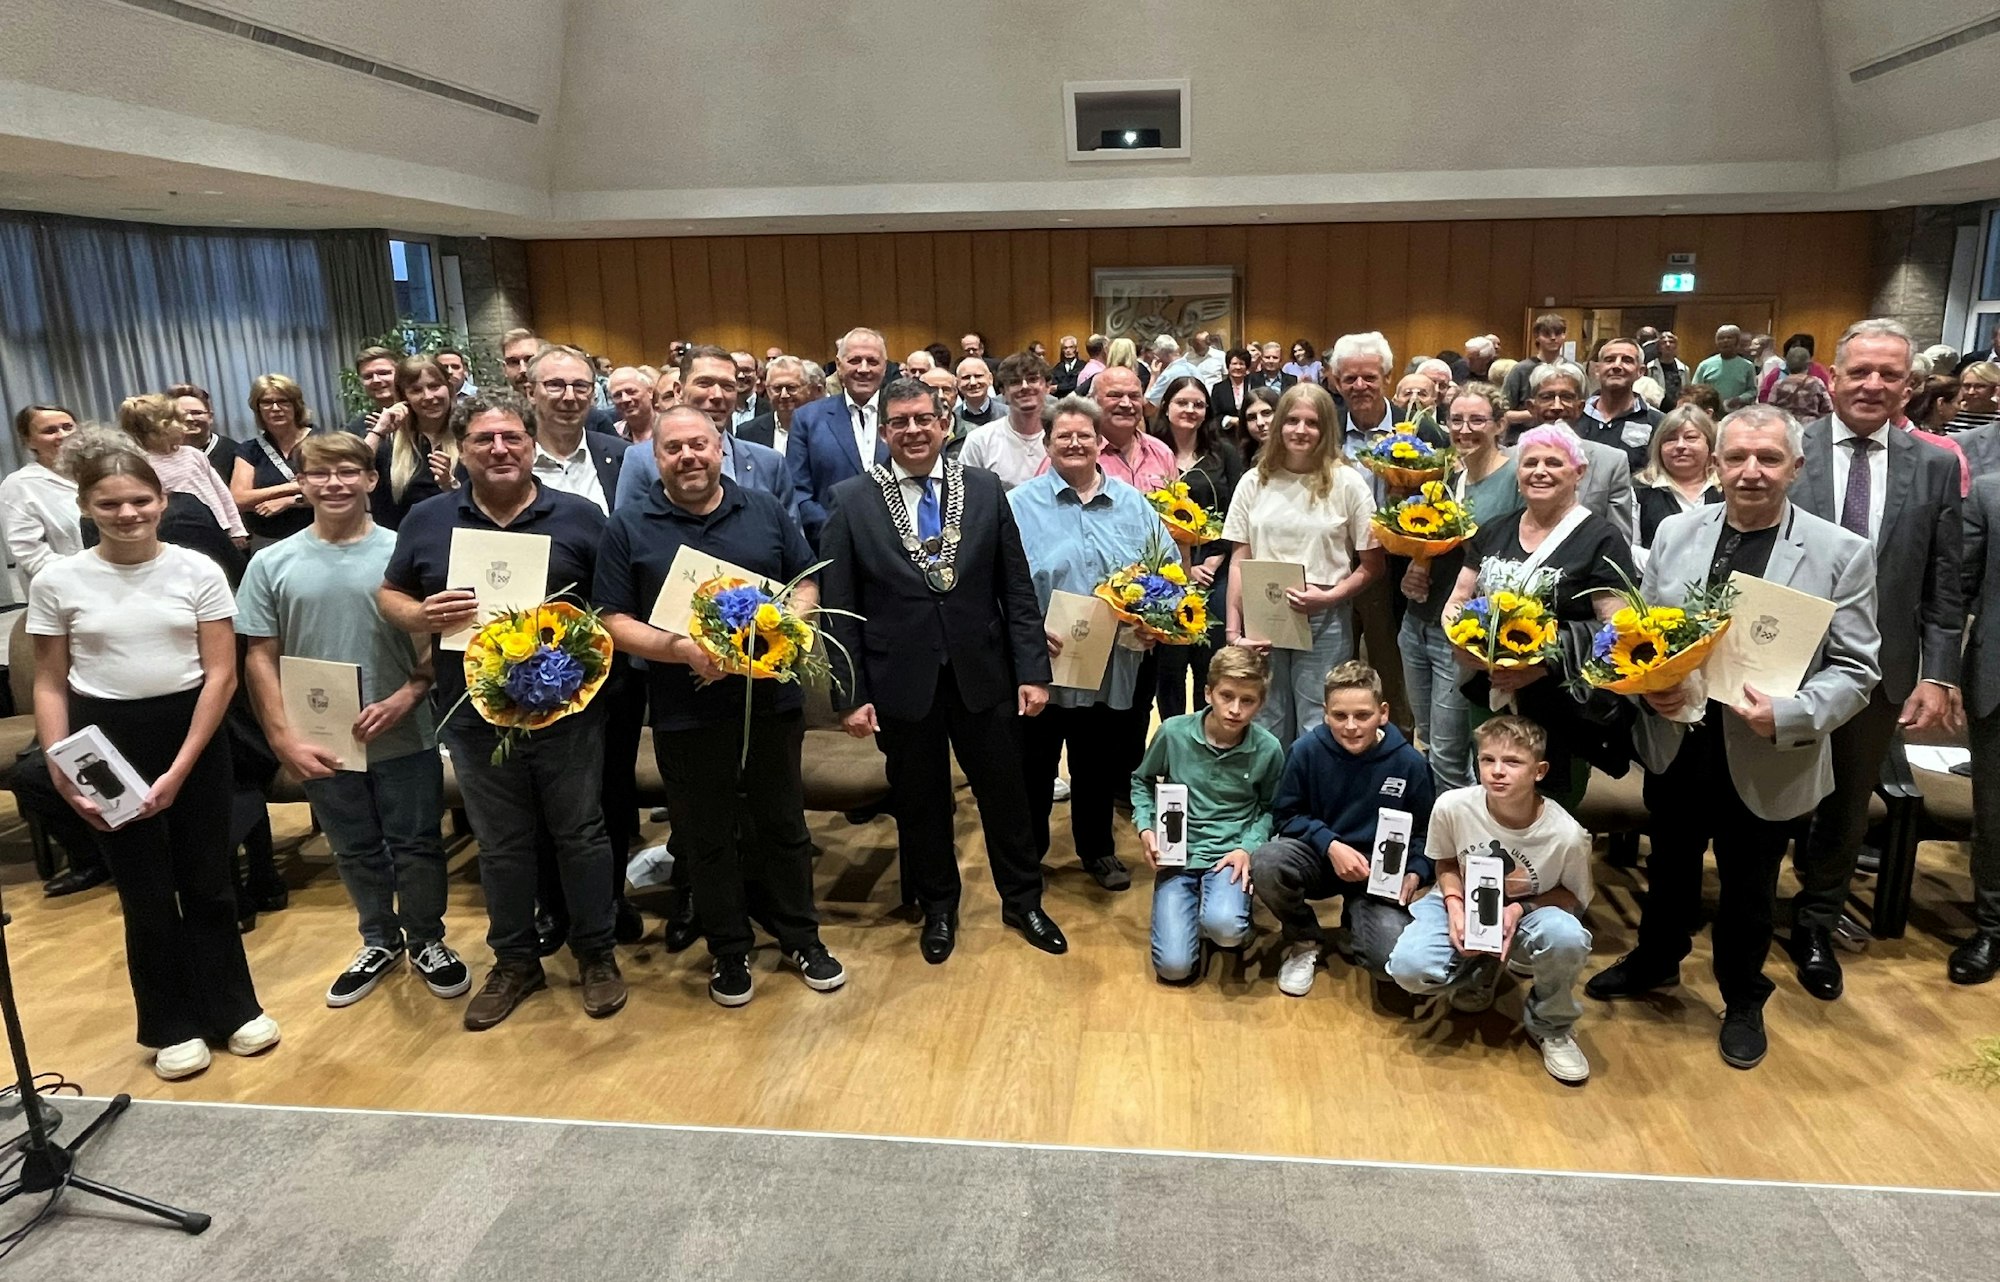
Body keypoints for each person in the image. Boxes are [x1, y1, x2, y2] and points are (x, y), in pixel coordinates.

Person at [1590, 405, 1880, 1069]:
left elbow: (1858, 668)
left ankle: (1744, 996)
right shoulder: (1677, 533)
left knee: (1750, 887)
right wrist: (1650, 684)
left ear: (1796, 467)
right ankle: (1657, 958)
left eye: (1769, 458)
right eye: (1738, 457)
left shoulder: (1841, 553)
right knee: (1669, 865)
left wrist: (1794, 712)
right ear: (1717, 464)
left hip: (1767, 749)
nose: (1752, 471)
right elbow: (1650, 632)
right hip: (1678, 740)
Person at [29, 428, 275, 1080]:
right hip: (104, 741)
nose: (127, 514)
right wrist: (59, 763)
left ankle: (233, 1008)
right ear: (85, 507)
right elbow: (50, 681)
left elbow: (221, 675)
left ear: (162, 500)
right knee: (143, 892)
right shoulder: (59, 579)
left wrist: (182, 765)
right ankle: (170, 1024)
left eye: (140, 500)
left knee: (208, 881)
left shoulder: (198, 570)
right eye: (109, 504)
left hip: (193, 732)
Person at [378, 389, 627, 1030]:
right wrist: (420, 614)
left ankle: (596, 955)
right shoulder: (428, 519)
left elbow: (613, 608)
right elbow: (390, 595)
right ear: (461, 450)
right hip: (473, 713)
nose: (499, 449)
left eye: (512, 437)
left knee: (582, 834)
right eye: (483, 440)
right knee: (501, 844)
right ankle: (515, 962)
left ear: (531, 445)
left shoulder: (579, 516)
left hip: (568, 710)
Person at [596, 405, 845, 1006]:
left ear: (719, 449)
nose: (688, 457)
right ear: (655, 457)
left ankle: (801, 937)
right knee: (704, 834)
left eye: (699, 445)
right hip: (684, 707)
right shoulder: (628, 525)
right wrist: (678, 649)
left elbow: (807, 579)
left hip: (771, 700)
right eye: (673, 448)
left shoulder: (763, 509)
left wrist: (790, 621)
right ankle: (729, 949)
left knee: (783, 825)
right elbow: (611, 619)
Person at [818, 377, 1067, 961]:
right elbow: (839, 607)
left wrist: (1033, 671)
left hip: (984, 672)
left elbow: (1015, 587)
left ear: (943, 424)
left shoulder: (983, 488)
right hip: (900, 678)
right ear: (884, 432)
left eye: (923, 419)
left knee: (1006, 794)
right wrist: (849, 694)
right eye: (899, 422)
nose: (913, 431)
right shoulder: (850, 500)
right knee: (921, 800)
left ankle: (1023, 900)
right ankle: (937, 908)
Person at [237, 431, 464, 1008]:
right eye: (319, 473)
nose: (334, 484)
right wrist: (282, 737)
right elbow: (259, 655)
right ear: (301, 483)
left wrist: (410, 695)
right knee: (354, 847)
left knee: (417, 844)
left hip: (404, 729)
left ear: (370, 479)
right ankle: (378, 940)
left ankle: (427, 940)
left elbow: (436, 641)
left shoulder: (403, 552)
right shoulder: (270, 562)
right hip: (321, 736)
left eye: (347, 472)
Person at [1786, 318, 1963, 1002]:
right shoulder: (1789, 449)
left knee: (1847, 803)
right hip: (1786, 658)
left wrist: (1937, 673)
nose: (1873, 384)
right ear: (1834, 377)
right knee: (1770, 793)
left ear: (1909, 386)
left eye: (1890, 374)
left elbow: (1945, 580)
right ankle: (1752, 909)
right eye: (1860, 371)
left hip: (1880, 668)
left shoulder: (1936, 465)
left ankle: (1816, 921)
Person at [1011, 395, 1175, 893]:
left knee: (1098, 763)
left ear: (1100, 441)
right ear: (1047, 443)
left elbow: (1167, 573)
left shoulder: (1134, 505)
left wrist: (1153, 622)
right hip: (1042, 665)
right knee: (1034, 767)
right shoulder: (1018, 505)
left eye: (1084, 435)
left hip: (1112, 663)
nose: (1075, 443)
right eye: (1064, 435)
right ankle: (1028, 857)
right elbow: (996, 584)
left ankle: (1097, 849)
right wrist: (1024, 633)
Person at [1387, 716, 1595, 1084]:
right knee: (1408, 968)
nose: (1497, 771)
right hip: (1462, 899)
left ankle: (1552, 1025)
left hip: (1531, 910)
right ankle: (1481, 969)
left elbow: (1572, 898)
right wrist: (1455, 907)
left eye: (1512, 762)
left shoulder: (1567, 835)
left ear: (1539, 771)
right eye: (1487, 760)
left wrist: (1518, 909)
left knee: (1567, 937)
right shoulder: (1452, 806)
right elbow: (1446, 862)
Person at [1442, 423, 1636, 811]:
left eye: (1553, 462)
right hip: (1489, 692)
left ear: (1579, 472)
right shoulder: (1495, 530)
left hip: (1558, 704)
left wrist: (1542, 665)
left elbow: (1617, 629)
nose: (1540, 471)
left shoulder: (1601, 538)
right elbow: (1458, 601)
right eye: (1530, 463)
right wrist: (1464, 647)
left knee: (1549, 811)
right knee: (1493, 796)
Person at [1252, 661, 1436, 994]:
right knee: (1267, 861)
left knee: (1388, 963)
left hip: (1377, 875)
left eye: (1362, 715)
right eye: (1340, 716)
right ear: (1325, 714)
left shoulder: (1410, 763)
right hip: (1321, 859)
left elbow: (1425, 834)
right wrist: (1330, 844)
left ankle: (1355, 923)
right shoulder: (1305, 752)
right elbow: (1286, 816)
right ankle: (1304, 938)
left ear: (1383, 713)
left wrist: (1416, 872)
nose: (1351, 727)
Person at [1222, 384, 1382, 747]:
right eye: (1292, 420)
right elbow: (1239, 560)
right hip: (1264, 618)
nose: (1300, 430)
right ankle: (1274, 785)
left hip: (1325, 618)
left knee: (1316, 720)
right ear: (1279, 424)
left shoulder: (1348, 483)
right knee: (1267, 718)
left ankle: (1310, 785)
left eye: (1312, 423)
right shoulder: (1254, 481)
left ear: (1327, 429)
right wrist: (1233, 631)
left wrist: (1330, 597)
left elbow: (1372, 565)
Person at [1131, 645, 1285, 983]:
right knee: (1173, 968)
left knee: (1227, 930)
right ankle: (1193, 909)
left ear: (1260, 703)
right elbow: (1142, 781)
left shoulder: (1268, 748)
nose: (1235, 710)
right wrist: (1146, 828)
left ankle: (1228, 915)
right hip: (1178, 854)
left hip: (1229, 856)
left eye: (1248, 701)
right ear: (1207, 693)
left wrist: (1247, 848)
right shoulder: (1173, 733)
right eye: (1226, 696)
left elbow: (1270, 808)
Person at [1399, 384, 1522, 791]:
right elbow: (1429, 541)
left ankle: (1454, 831)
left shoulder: (1514, 479)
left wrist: (1464, 539)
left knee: (1450, 753)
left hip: (1461, 632)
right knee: (1427, 740)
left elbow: (1517, 554)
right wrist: (1416, 564)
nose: (1464, 429)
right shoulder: (1447, 475)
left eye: (1477, 420)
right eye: (1456, 420)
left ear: (1499, 425)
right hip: (1417, 621)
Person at [1149, 376, 1243, 718]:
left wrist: (1213, 562)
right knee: (1169, 668)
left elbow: (1237, 511)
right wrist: (1183, 568)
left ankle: (1208, 736)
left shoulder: (1224, 453)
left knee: (1210, 664)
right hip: (1164, 574)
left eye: (1198, 404)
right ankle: (1173, 739)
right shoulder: (1151, 452)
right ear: (1166, 407)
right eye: (1182, 402)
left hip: (1215, 569)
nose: (1190, 410)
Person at [614, 347, 791, 513]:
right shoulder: (640, 461)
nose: (717, 395)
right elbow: (630, 530)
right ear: (678, 391)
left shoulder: (770, 463)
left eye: (727, 386)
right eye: (704, 383)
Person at [1956, 471, 2000, 983]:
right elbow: (1958, 587)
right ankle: (1992, 927)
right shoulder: (1990, 492)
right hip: (1998, 679)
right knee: (1995, 819)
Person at [787, 326, 890, 545]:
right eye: (855, 360)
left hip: (899, 546)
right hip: (831, 544)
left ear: (885, 366)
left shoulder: (904, 417)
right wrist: (838, 530)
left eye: (872, 361)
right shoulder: (807, 419)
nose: (863, 369)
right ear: (838, 365)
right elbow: (798, 491)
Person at [1525, 362, 1640, 543]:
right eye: (1547, 397)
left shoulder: (1611, 462)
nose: (1557, 406)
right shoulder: (1509, 459)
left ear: (1580, 407)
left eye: (1566, 397)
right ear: (1531, 407)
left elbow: (1619, 542)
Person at [118, 393, 246, 545]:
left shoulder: (193, 454)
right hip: (178, 536)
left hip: (218, 529)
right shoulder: (142, 465)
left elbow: (222, 492)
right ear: (160, 428)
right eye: (178, 421)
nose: (185, 426)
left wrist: (237, 529)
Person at [369, 356, 461, 530]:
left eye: (435, 386)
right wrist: (378, 431)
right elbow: (351, 469)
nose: (428, 396)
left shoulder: (469, 435)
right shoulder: (389, 441)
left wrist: (450, 485)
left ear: (449, 388)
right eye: (416, 390)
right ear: (404, 397)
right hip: (402, 540)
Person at [231, 373, 322, 547]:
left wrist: (291, 501)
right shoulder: (250, 449)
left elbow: (333, 491)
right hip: (269, 541)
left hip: (319, 536)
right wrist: (296, 486)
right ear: (258, 408)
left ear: (296, 405)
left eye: (283, 401)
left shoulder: (324, 441)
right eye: (266, 402)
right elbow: (239, 498)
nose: (275, 408)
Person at [3, 404, 81, 593]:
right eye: (49, 431)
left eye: (68, 427)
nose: (62, 435)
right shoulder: (19, 485)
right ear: (29, 442)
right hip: (62, 590)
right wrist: (87, 575)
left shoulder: (101, 472)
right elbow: (29, 551)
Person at [958, 352, 1054, 489]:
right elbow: (967, 492)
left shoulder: (1065, 438)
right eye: (1015, 382)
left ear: (1047, 386)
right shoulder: (979, 440)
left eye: (1032, 379)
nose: (1024, 386)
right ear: (1003, 391)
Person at [1634, 404, 1722, 549]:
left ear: (1710, 444)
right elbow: (1631, 548)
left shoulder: (1727, 487)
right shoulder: (1639, 489)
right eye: (1670, 439)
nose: (1680, 445)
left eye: (1690, 437)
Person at [1574, 338, 1663, 470]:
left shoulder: (1658, 422)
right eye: (1609, 360)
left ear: (1641, 371)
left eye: (1627, 360)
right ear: (1597, 370)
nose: (1616, 366)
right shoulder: (1574, 416)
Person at [1503, 313, 1570, 433]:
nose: (1553, 338)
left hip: (1564, 436)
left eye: (1558, 333)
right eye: (1547, 334)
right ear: (1537, 336)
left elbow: (1583, 409)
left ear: (1564, 335)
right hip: (1524, 435)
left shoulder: (1573, 370)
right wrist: (1541, 412)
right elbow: (1503, 413)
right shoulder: (1521, 370)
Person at [742, 355, 809, 455]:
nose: (784, 395)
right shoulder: (748, 432)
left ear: (806, 388)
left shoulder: (824, 428)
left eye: (791, 387)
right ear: (768, 390)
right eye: (777, 388)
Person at [168, 383, 235, 480]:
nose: (189, 418)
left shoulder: (235, 453)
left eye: (196, 413)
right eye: (180, 414)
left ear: (210, 417)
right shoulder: (160, 455)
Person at [1694, 326, 1760, 409]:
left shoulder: (1747, 366)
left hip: (1737, 412)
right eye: (1721, 338)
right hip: (1710, 412)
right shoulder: (1705, 365)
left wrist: (1740, 399)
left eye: (1729, 338)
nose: (1725, 341)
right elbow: (1694, 391)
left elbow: (1753, 391)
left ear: (1737, 341)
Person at [345, 346, 400, 437]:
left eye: (383, 373)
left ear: (400, 375)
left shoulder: (421, 417)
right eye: (368, 376)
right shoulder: (357, 428)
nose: (376, 380)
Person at [1224, 385, 1279, 469]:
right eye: (1252, 418)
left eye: (1266, 413)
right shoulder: (1244, 457)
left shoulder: (1295, 455)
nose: (1260, 423)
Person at [1209, 347, 1257, 435]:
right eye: (1234, 364)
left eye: (1241, 364)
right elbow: (1214, 414)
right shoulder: (1218, 388)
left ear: (1246, 366)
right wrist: (1230, 420)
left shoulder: (1255, 384)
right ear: (1228, 366)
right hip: (1227, 434)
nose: (1238, 367)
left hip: (1252, 432)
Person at [607, 366, 659, 444]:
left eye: (631, 392)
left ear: (649, 392)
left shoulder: (671, 426)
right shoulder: (613, 434)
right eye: (618, 395)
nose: (625, 399)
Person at [1144, 336, 1199, 404]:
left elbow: (1148, 406)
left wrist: (1154, 376)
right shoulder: (1195, 370)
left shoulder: (1167, 375)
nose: (1156, 360)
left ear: (1165, 355)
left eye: (1156, 357)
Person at [955, 357, 1005, 428]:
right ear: (957, 383)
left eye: (978, 376)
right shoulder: (952, 419)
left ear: (990, 379)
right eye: (966, 377)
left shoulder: (1008, 415)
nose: (973, 382)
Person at [730, 350, 767, 426]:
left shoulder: (771, 410)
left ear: (757, 373)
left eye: (746, 370)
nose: (740, 376)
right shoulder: (714, 409)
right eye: (735, 370)